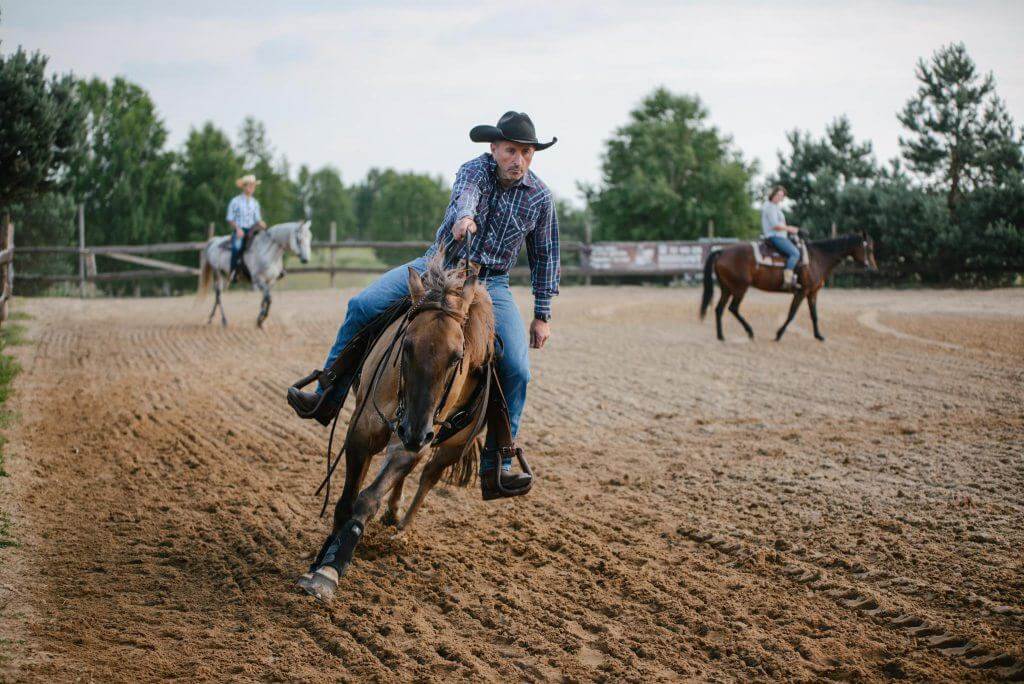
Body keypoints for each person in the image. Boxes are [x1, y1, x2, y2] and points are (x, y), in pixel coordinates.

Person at [288, 111, 559, 500]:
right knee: (362, 305)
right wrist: (465, 217)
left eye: (527, 153)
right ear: (494, 148)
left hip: (490, 283)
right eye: (512, 151)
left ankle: (497, 462)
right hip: (437, 265)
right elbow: (467, 196)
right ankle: (328, 393)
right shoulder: (474, 171)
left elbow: (546, 256)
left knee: (516, 367)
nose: (519, 160)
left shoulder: (541, 198)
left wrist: (543, 314)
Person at [226, 174, 267, 280]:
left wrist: (263, 225)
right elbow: (230, 218)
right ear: (243, 187)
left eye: (253, 186)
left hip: (253, 230)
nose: (252, 188)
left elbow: (257, 219)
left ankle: (268, 270)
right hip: (240, 230)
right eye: (249, 186)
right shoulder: (235, 201)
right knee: (236, 247)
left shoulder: (255, 203)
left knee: (265, 245)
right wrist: (238, 229)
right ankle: (233, 272)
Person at [761, 186, 802, 289]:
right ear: (773, 194)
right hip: (775, 236)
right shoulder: (770, 207)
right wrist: (790, 229)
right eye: (778, 195)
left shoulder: (775, 207)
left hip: (780, 236)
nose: (779, 197)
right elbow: (775, 225)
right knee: (795, 253)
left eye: (781, 196)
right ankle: (787, 280)